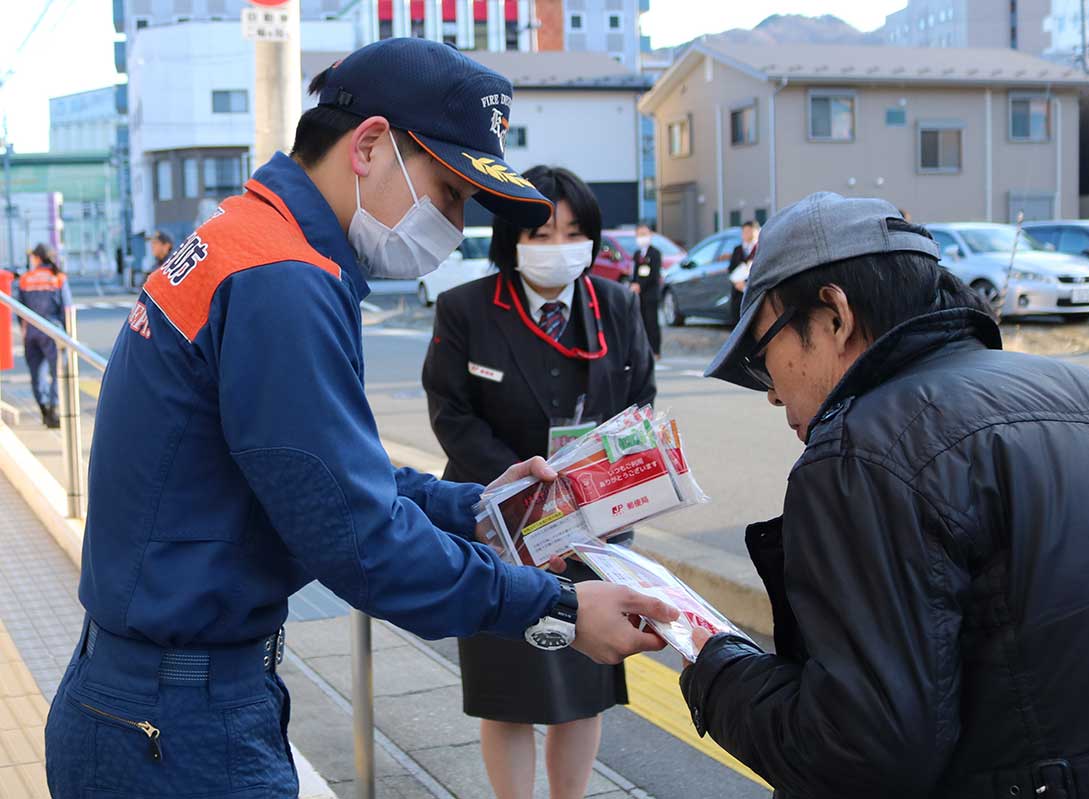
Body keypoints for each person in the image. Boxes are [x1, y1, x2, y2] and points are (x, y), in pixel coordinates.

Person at [44, 38, 677, 799]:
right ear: (371, 146)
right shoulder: (284, 280)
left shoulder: (250, 240)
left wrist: (474, 508)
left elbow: (322, 471)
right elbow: (361, 539)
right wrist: (563, 610)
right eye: (447, 193)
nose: (449, 225)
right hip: (179, 723)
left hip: (146, 697)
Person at [684, 192, 1089, 798]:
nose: (770, 390)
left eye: (763, 349)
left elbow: (860, 755)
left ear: (833, 316)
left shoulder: (864, 449)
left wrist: (716, 671)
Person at [422, 165, 656, 799]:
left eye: (575, 233)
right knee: (508, 691)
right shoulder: (465, 308)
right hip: (498, 525)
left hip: (590, 525)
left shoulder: (617, 304)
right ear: (511, 238)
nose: (560, 248)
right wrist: (523, 493)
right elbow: (451, 412)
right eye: (543, 233)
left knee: (581, 689)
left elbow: (639, 403)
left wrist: (598, 481)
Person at [14, 243, 71, 428]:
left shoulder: (25, 279)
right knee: (58, 372)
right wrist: (68, 334)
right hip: (52, 330)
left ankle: (44, 409)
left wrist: (23, 329)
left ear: (38, 258)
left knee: (36, 373)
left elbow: (19, 310)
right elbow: (66, 308)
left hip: (31, 331)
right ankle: (54, 411)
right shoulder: (58, 278)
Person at [629, 222, 662, 358]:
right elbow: (635, 272)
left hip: (650, 293)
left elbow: (653, 274)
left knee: (651, 322)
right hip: (638, 295)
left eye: (644, 234)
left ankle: (655, 350)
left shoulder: (655, 253)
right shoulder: (637, 254)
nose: (641, 237)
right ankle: (642, 349)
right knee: (640, 323)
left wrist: (640, 285)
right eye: (639, 235)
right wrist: (633, 284)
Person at [727, 220, 758, 322]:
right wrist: (737, 283)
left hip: (753, 290)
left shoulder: (760, 248)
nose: (746, 234)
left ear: (756, 231)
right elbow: (731, 269)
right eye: (744, 231)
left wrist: (746, 285)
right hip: (738, 292)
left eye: (749, 231)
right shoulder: (737, 249)